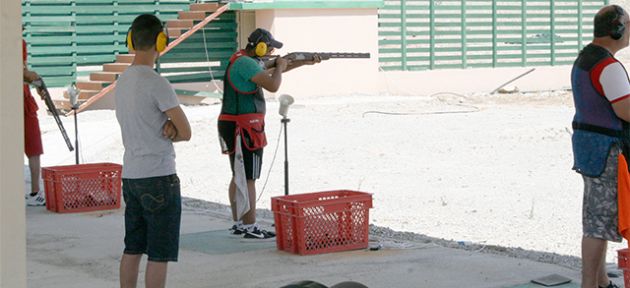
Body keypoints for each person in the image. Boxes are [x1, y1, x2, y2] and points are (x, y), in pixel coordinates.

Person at [217, 28, 321, 239]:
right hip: (244, 127)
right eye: (269, 47)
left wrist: (304, 61)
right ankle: (250, 226)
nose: (271, 51)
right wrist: (281, 66)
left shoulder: (244, 60)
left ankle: (239, 222)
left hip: (234, 124)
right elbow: (273, 84)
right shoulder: (247, 63)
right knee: (249, 178)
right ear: (260, 46)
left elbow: (270, 71)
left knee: (239, 174)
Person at [115, 14, 191, 288]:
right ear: (162, 40)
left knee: (132, 247)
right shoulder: (157, 82)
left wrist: (170, 125)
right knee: (159, 254)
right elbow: (186, 131)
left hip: (132, 176)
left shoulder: (122, 81)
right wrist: (172, 127)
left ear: (131, 41)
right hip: (159, 176)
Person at [570, 5, 630, 288]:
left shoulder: (587, 57)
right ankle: (589, 285)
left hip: (590, 147)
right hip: (607, 150)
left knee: (599, 217)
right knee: (597, 222)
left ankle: (602, 281)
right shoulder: (608, 66)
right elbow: (625, 110)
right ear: (616, 29)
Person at [22, 35, 46, 206]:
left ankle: (35, 191)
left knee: (33, 147)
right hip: (18, 101)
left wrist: (35, 82)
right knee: (33, 146)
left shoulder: (19, 42)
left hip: (24, 98)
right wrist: (34, 77)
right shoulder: (13, 42)